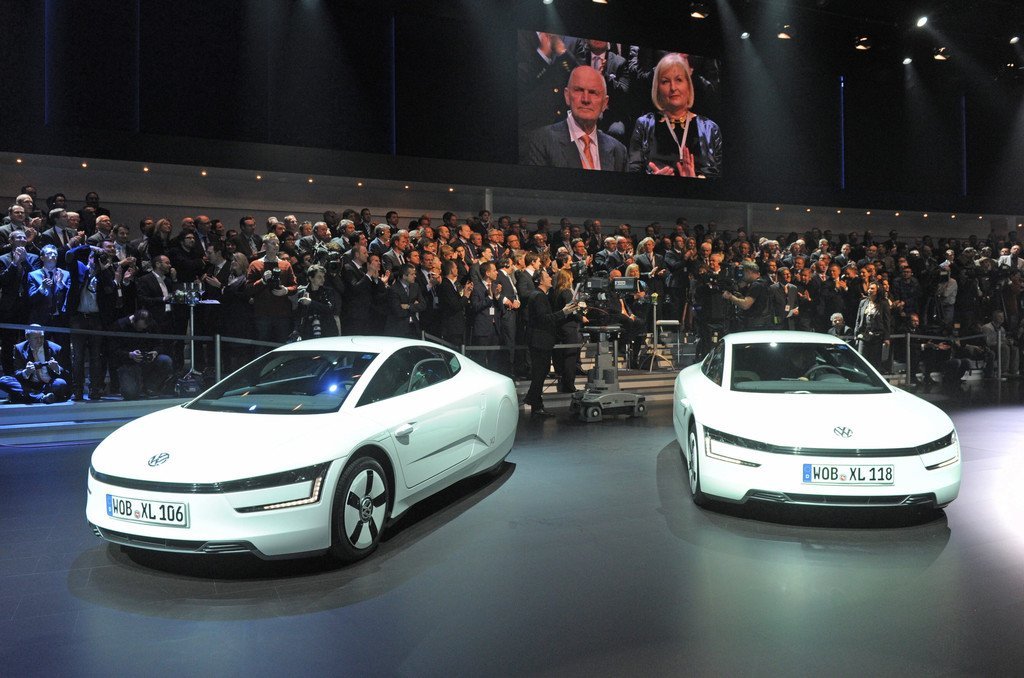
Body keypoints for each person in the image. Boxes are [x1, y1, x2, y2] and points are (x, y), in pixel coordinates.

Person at [627, 52, 722, 178]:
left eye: (679, 80)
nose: (673, 88)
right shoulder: (644, 125)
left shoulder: (710, 128)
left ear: (688, 85)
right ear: (657, 89)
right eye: (665, 81)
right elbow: (632, 172)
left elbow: (719, 179)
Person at [522, 65, 628, 171]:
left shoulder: (619, 152)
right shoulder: (541, 141)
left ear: (604, 103)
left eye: (593, 92)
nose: (586, 99)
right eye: (579, 90)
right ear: (567, 96)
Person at [523, 268, 579, 415]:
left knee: (541, 372)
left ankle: (535, 402)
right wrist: (563, 312)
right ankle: (533, 401)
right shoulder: (539, 296)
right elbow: (544, 319)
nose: (551, 278)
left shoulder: (540, 295)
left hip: (540, 340)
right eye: (547, 276)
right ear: (540, 280)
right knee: (540, 373)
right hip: (540, 340)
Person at [111, 310, 173, 400]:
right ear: (133, 321)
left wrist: (155, 352)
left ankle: (150, 386)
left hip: (148, 360)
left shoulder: (152, 324)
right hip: (128, 363)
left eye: (144, 328)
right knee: (130, 393)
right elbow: (113, 351)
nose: (141, 330)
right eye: (139, 328)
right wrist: (130, 354)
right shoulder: (120, 325)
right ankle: (136, 385)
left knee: (165, 360)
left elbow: (160, 344)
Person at [0, 325, 71, 403]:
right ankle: (41, 397)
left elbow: (67, 374)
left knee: (60, 383)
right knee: (4, 380)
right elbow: (17, 372)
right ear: (27, 337)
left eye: (41, 337)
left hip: (47, 384)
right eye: (36, 338)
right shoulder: (19, 348)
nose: (39, 340)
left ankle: (25, 396)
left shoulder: (55, 348)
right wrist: (26, 372)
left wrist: (57, 369)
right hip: (28, 384)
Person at [551, 268, 584, 392]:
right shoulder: (566, 292)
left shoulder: (555, 292)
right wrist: (581, 318)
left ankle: (564, 384)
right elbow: (572, 310)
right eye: (571, 277)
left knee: (562, 356)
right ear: (567, 278)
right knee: (570, 356)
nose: (573, 279)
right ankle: (569, 385)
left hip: (559, 327)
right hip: (569, 328)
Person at [295, 264, 341, 340]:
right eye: (319, 277)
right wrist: (297, 331)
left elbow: (330, 308)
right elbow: (298, 314)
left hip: (326, 331)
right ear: (311, 278)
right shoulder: (302, 292)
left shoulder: (328, 292)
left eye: (323, 277)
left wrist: (311, 303)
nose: (323, 279)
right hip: (308, 332)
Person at [722, 261, 772, 331]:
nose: (742, 275)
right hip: (763, 322)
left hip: (755, 324)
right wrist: (740, 297)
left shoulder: (756, 285)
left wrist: (730, 297)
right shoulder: (763, 282)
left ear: (748, 272)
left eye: (743, 272)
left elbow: (745, 305)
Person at [855, 282, 891, 371]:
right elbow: (858, 320)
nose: (869, 290)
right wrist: (856, 334)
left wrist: (886, 337)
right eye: (869, 288)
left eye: (872, 289)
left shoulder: (883, 303)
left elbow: (886, 321)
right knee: (862, 361)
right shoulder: (863, 302)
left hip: (877, 337)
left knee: (874, 362)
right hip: (863, 335)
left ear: (877, 291)